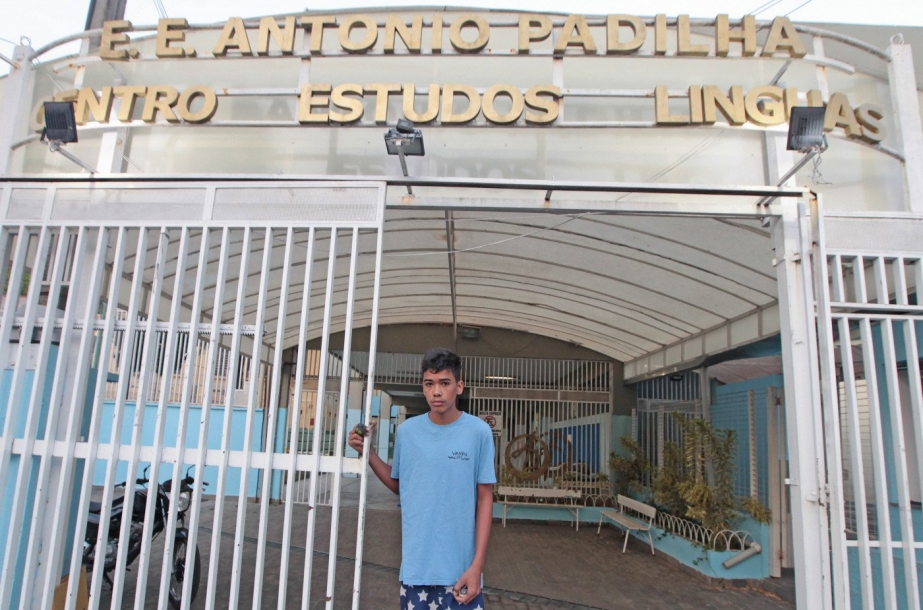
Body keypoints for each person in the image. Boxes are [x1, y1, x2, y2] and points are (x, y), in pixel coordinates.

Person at [348, 348, 496, 609]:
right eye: (429, 384)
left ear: (459, 386)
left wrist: (477, 566)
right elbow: (399, 485)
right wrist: (367, 453)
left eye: (444, 383)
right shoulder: (407, 432)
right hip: (416, 570)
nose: (436, 391)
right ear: (423, 387)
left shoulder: (479, 432)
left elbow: (485, 499)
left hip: (462, 573)